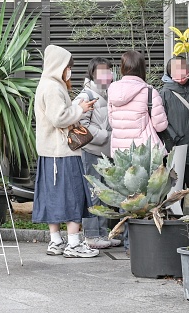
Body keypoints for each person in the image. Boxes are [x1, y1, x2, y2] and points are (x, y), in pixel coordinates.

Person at [33, 44, 99, 258]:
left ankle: (56, 241)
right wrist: (81, 109)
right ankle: (74, 244)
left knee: (53, 196)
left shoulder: (46, 84)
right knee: (72, 195)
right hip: (62, 152)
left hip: (50, 152)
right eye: (67, 66)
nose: (69, 69)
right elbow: (59, 118)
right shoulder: (53, 87)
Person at [74, 57, 118, 250]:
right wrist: (106, 135)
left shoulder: (110, 94)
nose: (106, 75)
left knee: (106, 193)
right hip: (92, 151)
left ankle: (104, 234)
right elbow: (81, 126)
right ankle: (92, 235)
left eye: (108, 71)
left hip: (107, 152)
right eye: (102, 71)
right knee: (94, 193)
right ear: (92, 73)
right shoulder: (86, 96)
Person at [159, 55, 189, 222]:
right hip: (176, 154)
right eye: (176, 69)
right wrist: (174, 140)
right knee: (173, 199)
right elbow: (160, 123)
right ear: (169, 72)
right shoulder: (164, 94)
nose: (181, 72)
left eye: (183, 68)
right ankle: (175, 238)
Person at [108, 50, 168, 153]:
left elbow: (111, 121)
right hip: (143, 152)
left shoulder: (112, 90)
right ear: (142, 68)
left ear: (122, 67)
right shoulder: (149, 92)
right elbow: (160, 126)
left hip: (119, 152)